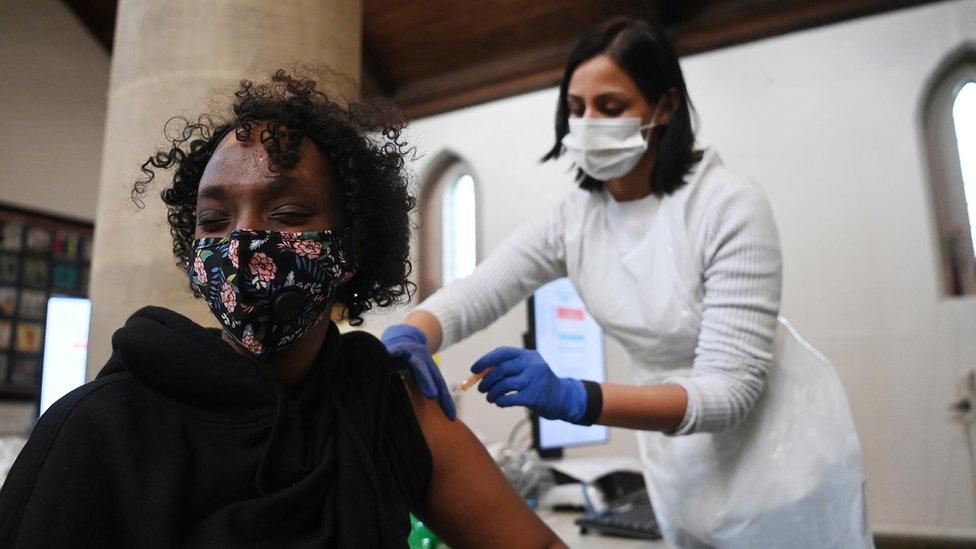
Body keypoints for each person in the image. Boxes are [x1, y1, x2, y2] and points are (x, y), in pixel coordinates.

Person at [0, 70, 564, 548]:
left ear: (350, 249)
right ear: (193, 254)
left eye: (288, 215)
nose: (244, 241)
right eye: (216, 222)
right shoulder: (99, 429)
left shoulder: (382, 409)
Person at [383, 17, 871, 548]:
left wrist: (576, 397)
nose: (588, 122)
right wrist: (412, 334)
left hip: (780, 463)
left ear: (666, 107)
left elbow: (730, 392)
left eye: (611, 107)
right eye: (576, 108)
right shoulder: (575, 220)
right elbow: (480, 290)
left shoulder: (728, 205)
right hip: (680, 464)